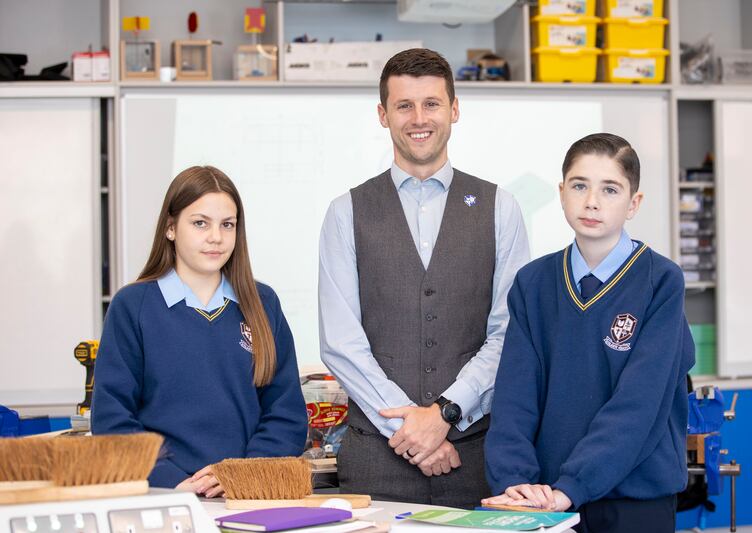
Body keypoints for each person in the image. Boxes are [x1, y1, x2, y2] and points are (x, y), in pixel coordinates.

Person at [318, 48, 530, 508]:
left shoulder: (501, 208)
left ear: (454, 109)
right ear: (382, 114)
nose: (419, 118)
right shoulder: (345, 212)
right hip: (376, 463)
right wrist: (414, 432)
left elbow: (508, 334)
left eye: (432, 103)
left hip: (474, 459)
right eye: (404, 105)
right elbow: (340, 341)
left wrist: (446, 415)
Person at [483, 133, 695, 533]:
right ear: (562, 193)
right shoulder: (533, 283)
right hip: (544, 504)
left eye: (610, 189)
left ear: (634, 203)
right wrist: (516, 483)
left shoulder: (661, 282)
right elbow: (514, 399)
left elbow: (638, 406)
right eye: (579, 186)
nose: (592, 201)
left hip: (633, 501)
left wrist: (572, 487)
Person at [92, 165, 307, 496]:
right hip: (163, 496)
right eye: (200, 223)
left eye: (227, 225)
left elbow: (286, 413)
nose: (216, 237)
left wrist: (243, 474)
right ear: (170, 228)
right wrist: (169, 480)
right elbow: (113, 420)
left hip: (247, 496)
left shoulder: (263, 303)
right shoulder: (132, 306)